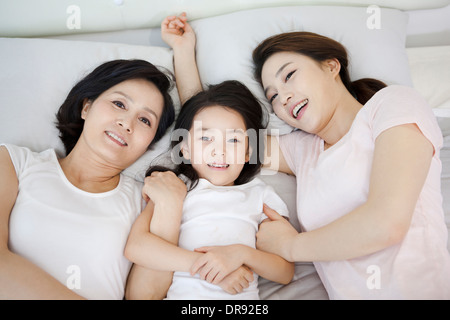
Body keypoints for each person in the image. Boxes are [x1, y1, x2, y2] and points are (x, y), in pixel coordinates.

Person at [158, 13, 450, 299]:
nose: (283, 97)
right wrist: (183, 53)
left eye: (289, 75)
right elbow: (212, 132)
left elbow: (386, 224)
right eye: (272, 96)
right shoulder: (301, 151)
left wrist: (291, 247)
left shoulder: (392, 105)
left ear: (331, 66)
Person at [0, 59, 176, 299]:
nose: (127, 123)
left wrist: (170, 206)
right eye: (119, 103)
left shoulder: (146, 200)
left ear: (149, 144)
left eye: (145, 120)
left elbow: (145, 296)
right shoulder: (13, 162)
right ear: (86, 107)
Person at [125, 80, 294, 299]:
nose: (219, 151)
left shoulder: (260, 194)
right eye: (205, 138)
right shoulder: (175, 188)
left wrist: (242, 254)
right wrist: (211, 268)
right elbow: (137, 248)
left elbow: (285, 273)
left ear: (247, 153)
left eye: (233, 139)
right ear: (185, 148)